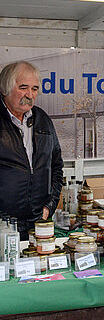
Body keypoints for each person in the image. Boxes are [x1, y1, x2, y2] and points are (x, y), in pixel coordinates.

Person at [0, 61, 64, 239]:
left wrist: (49, 207)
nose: (29, 95)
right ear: (5, 89)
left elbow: (57, 167)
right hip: (4, 226)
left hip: (38, 222)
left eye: (34, 89)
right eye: (23, 87)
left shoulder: (43, 119)